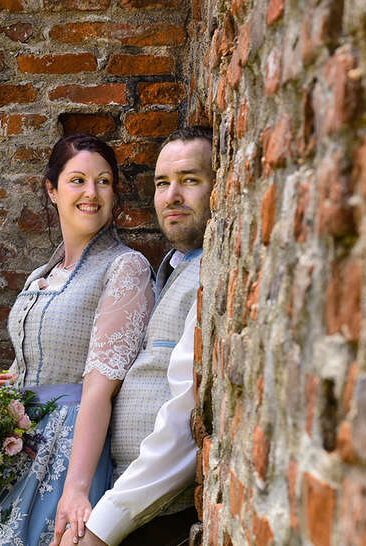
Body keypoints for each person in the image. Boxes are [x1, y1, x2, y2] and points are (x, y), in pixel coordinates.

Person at [0, 133, 155, 546]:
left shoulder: (125, 268)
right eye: (77, 180)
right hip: (17, 441)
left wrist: (75, 489)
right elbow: (26, 365)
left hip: (67, 449)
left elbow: (98, 391)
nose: (91, 193)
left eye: (104, 181)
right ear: (52, 190)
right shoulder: (43, 274)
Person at [55, 125, 214, 546]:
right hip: (119, 496)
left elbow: (185, 422)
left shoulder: (208, 275)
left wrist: (101, 528)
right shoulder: (174, 269)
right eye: (163, 183)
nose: (172, 196)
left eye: (190, 180)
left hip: (152, 514)